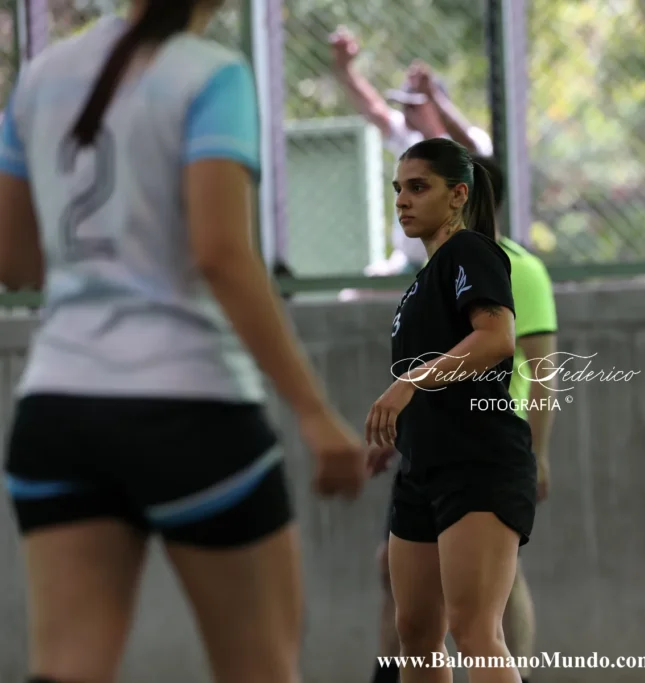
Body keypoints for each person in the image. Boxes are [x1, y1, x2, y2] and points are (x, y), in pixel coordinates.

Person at [0, 2, 371, 682]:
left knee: (66, 670)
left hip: (57, 409)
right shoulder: (211, 76)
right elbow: (221, 253)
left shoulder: (42, 77)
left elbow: (14, 259)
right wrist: (314, 412)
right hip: (191, 411)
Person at [368, 155, 558, 683]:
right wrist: (398, 429)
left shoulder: (472, 251)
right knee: (416, 634)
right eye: (398, 188)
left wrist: (409, 383)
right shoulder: (424, 281)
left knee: (475, 631)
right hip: (423, 467)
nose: (402, 200)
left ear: (458, 195)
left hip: (478, 461)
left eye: (418, 187)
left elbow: (497, 339)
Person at [329, 26, 493, 277]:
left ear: (436, 107)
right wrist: (345, 69)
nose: (407, 113)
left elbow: (474, 151)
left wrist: (433, 96)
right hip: (411, 263)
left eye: (415, 106)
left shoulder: (464, 141)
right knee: (358, 291)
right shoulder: (410, 140)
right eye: (404, 106)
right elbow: (374, 109)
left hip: (458, 260)